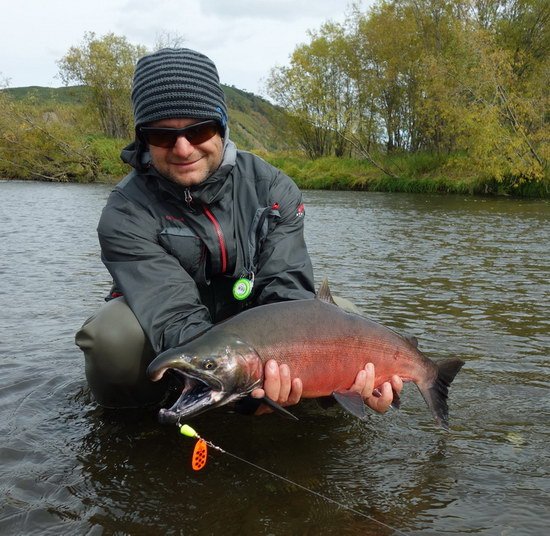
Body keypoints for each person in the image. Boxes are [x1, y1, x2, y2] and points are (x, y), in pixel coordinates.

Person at [75, 47, 402, 416]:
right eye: (163, 136)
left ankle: (320, 400)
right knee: (112, 337)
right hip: (179, 336)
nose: (183, 148)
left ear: (222, 126)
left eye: (199, 130)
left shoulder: (272, 188)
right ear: (143, 139)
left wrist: (281, 374)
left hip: (256, 330)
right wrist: (237, 382)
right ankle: (132, 424)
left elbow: (288, 298)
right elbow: (173, 315)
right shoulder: (125, 212)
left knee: (343, 318)